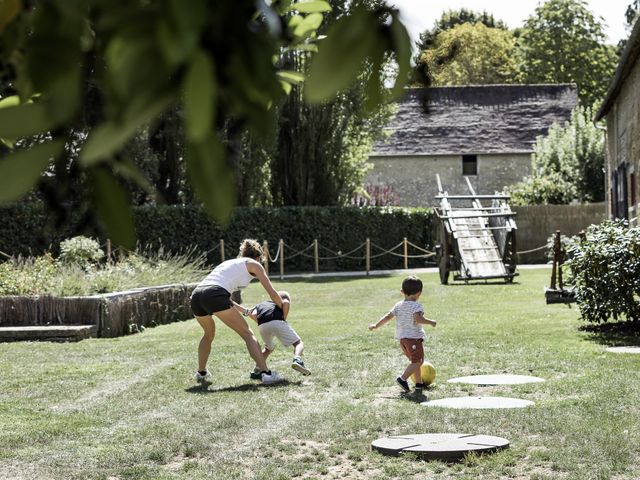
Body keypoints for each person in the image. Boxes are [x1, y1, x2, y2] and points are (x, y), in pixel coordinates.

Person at [190, 239, 284, 386]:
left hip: (196, 295)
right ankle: (266, 373)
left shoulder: (230, 263)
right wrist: (283, 311)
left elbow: (224, 297)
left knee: (208, 335)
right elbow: (272, 293)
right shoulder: (255, 264)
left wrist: (246, 311)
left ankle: (201, 372)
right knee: (248, 334)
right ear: (259, 257)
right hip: (214, 294)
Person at [368, 275, 436, 393]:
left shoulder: (398, 305)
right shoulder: (416, 306)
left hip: (402, 340)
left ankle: (419, 383)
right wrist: (431, 322)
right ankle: (402, 378)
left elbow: (388, 317)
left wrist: (376, 325)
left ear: (402, 292)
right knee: (418, 361)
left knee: (415, 362)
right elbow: (418, 319)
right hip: (413, 339)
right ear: (419, 293)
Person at [233, 291, 311, 378]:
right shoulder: (281, 300)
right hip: (278, 322)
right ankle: (297, 359)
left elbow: (252, 314)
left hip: (262, 326)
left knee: (268, 349)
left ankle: (257, 370)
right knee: (298, 343)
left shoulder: (260, 305)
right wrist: (283, 318)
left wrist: (265, 322)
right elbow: (286, 302)